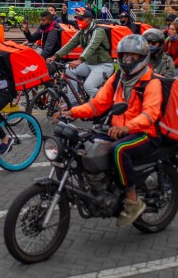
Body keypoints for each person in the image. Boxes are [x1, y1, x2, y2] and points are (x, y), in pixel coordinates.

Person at [57, 34, 164, 225]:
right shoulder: (118, 78)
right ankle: (99, 187)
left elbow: (150, 114)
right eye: (124, 56)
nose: (127, 60)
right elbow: (98, 104)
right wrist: (72, 111)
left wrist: (127, 127)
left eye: (132, 57)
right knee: (85, 143)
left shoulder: (151, 82)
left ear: (142, 57)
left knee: (119, 150)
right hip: (117, 129)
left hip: (145, 133)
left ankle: (132, 200)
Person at [49, 8, 114, 102]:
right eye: (77, 19)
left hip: (103, 65)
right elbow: (70, 44)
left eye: (81, 19)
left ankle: (108, 100)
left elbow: (91, 46)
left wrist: (79, 60)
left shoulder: (98, 31)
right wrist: (55, 56)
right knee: (69, 70)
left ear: (89, 19)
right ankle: (73, 102)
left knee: (88, 86)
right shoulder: (82, 31)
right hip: (89, 64)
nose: (78, 21)